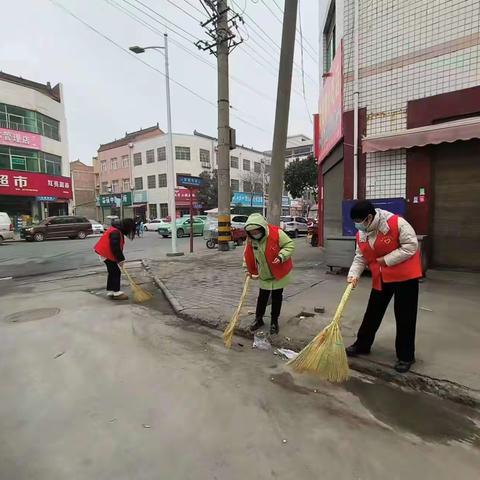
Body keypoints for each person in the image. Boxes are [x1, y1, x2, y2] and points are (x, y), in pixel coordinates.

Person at [346, 200, 422, 373]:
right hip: (381, 277)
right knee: (372, 312)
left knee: (405, 317)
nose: (357, 225)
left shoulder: (396, 223)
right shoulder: (362, 233)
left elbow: (411, 246)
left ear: (369, 217)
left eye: (359, 221)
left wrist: (386, 260)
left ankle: (406, 356)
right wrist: (353, 275)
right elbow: (361, 256)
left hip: (405, 277)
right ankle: (362, 345)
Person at [243, 213, 295, 335]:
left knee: (277, 297)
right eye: (252, 233)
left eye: (256, 231)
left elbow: (289, 245)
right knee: (262, 297)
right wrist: (247, 270)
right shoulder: (251, 240)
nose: (255, 234)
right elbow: (247, 255)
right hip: (264, 274)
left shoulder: (276, 233)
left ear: (262, 228)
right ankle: (258, 319)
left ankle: (274, 322)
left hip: (279, 272)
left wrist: (282, 256)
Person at [94, 218, 136, 300]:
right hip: (105, 253)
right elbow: (115, 248)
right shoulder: (116, 232)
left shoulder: (116, 230)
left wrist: (119, 259)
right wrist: (120, 260)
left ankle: (111, 291)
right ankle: (116, 292)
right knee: (116, 272)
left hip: (104, 253)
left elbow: (116, 248)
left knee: (112, 271)